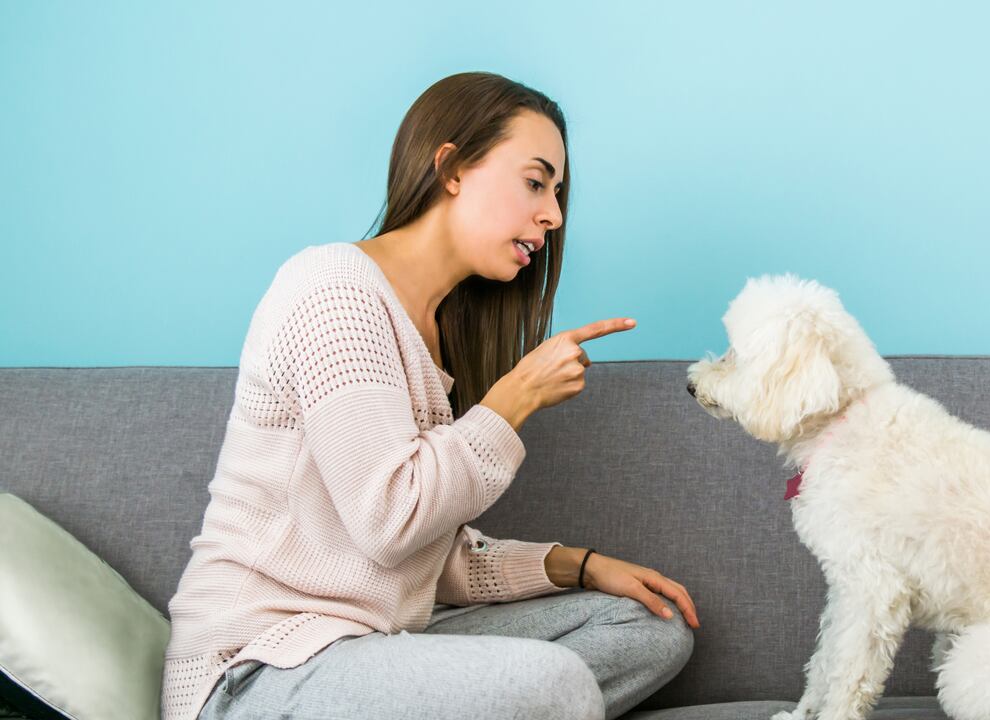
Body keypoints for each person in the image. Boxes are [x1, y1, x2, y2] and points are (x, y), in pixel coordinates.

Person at [161, 71, 698, 720]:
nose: (553, 216)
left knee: (651, 627)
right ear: (451, 168)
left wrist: (576, 566)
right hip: (256, 671)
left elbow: (428, 562)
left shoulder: (433, 337)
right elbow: (392, 521)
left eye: (556, 193)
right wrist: (515, 398)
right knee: (554, 685)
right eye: (535, 182)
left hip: (378, 646)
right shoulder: (335, 289)